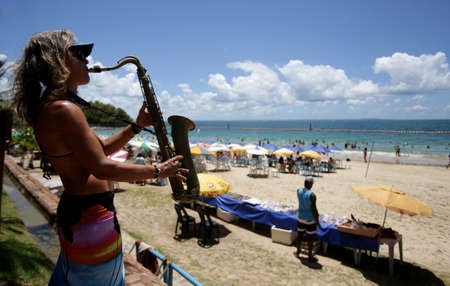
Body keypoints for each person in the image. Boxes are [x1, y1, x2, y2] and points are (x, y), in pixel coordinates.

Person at [13, 30, 188, 286]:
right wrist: (159, 170)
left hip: (88, 215)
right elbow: (102, 167)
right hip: (89, 219)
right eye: (79, 53)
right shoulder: (63, 109)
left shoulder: (55, 107)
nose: (87, 59)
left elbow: (100, 150)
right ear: (56, 60)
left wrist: (136, 127)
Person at [295, 177, 320, 262]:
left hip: (300, 217)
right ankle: (310, 256)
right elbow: (314, 209)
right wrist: (317, 221)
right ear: (311, 184)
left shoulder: (298, 191)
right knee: (310, 238)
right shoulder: (312, 195)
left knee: (300, 235)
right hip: (309, 220)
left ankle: (298, 252)